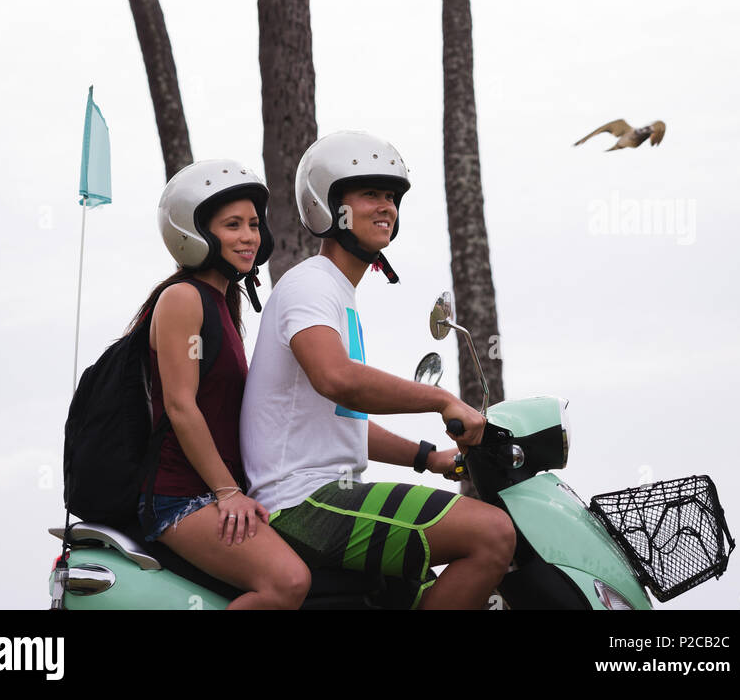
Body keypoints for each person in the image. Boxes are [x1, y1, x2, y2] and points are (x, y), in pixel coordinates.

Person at [239, 131, 517, 610]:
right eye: (370, 193)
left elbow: (341, 422)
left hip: (330, 495)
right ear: (329, 205)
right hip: (301, 503)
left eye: (391, 196)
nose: (386, 206)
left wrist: (430, 457)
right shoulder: (311, 286)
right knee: (492, 535)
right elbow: (337, 379)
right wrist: (442, 399)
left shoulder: (338, 296)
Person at [127, 159, 311, 611]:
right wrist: (228, 492)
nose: (249, 236)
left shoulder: (223, 306)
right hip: (179, 497)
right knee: (287, 581)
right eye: (232, 225)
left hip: (216, 491)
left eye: (253, 224)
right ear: (195, 233)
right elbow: (181, 405)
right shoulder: (183, 298)